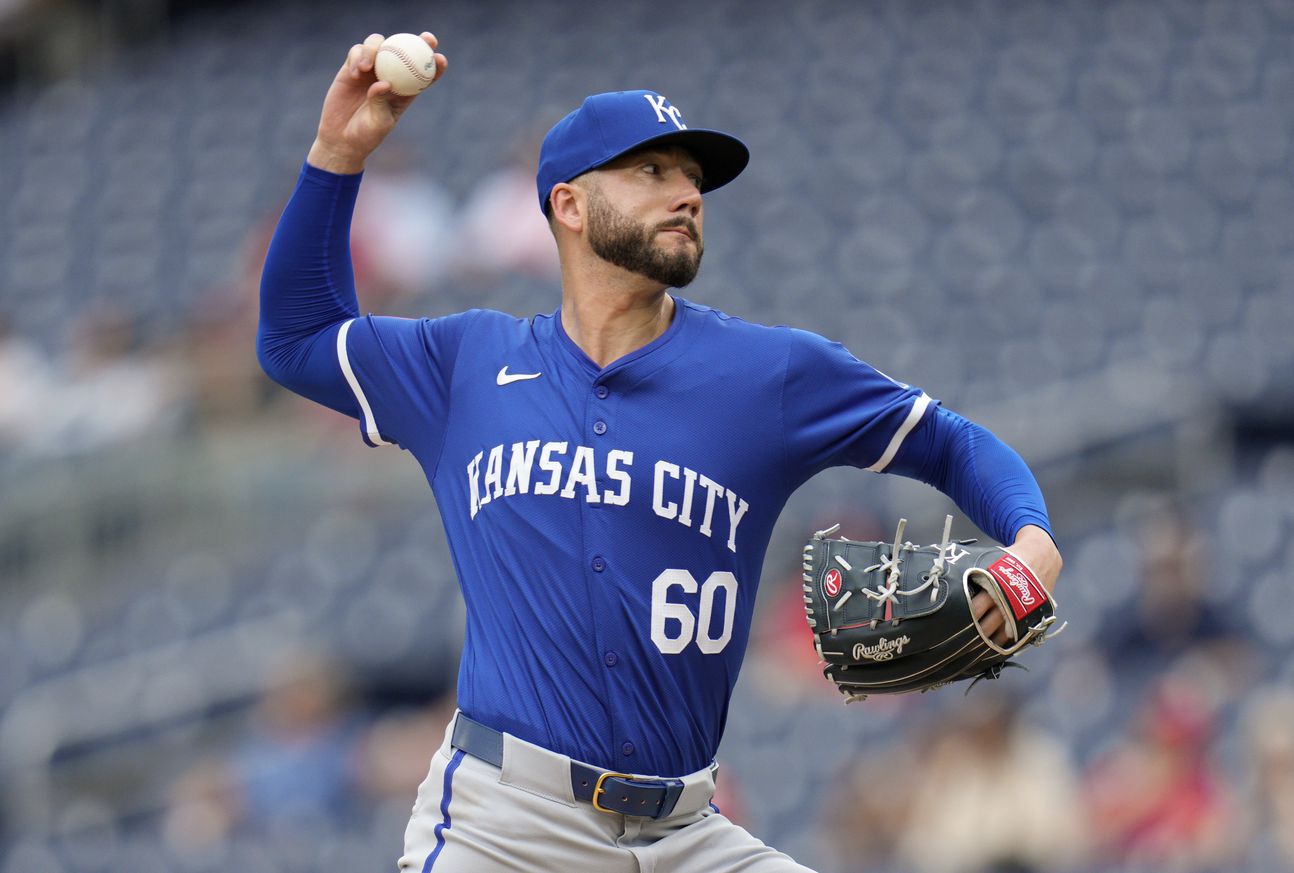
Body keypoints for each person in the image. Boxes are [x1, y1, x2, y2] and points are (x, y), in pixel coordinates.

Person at [257, 31, 1063, 873]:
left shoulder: (769, 373)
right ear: (568, 205)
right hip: (507, 827)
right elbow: (296, 337)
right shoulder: (465, 364)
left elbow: (951, 442)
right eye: (651, 172)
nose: (686, 194)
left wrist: (1032, 539)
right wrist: (337, 154)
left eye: (692, 177)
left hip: (688, 833)